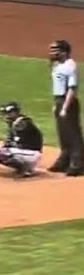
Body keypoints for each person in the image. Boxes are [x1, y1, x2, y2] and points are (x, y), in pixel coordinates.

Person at [48, 40, 83, 175]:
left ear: (64, 51)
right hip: (59, 100)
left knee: (73, 134)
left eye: (54, 50)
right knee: (62, 134)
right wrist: (56, 105)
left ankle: (77, 164)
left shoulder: (70, 66)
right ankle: (64, 160)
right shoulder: (58, 65)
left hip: (68, 102)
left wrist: (65, 107)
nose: (51, 52)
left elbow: (72, 89)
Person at [0, 102, 43, 178]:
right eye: (4, 113)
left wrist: (1, 151)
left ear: (15, 112)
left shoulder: (22, 123)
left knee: (0, 154)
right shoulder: (14, 123)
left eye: (8, 113)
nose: (5, 116)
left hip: (31, 153)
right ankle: (25, 167)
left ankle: (26, 169)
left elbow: (17, 143)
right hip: (26, 152)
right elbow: (8, 141)